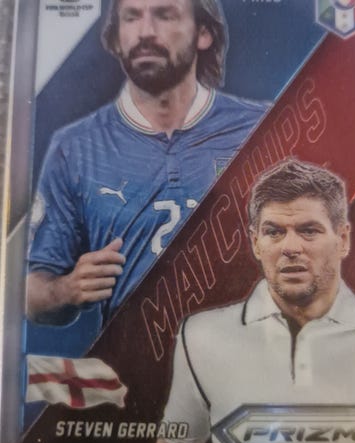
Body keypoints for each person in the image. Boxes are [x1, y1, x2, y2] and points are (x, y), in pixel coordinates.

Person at [26, 0, 266, 325]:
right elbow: (30, 293)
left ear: (203, 33)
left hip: (244, 349)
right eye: (131, 17)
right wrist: (66, 290)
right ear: (116, 39)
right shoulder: (76, 147)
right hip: (133, 354)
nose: (146, 32)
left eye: (164, 15)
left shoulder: (260, 128)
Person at [153, 158, 355, 443]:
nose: (290, 248)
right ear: (255, 242)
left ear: (342, 239)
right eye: (274, 232)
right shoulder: (201, 336)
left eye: (308, 230)